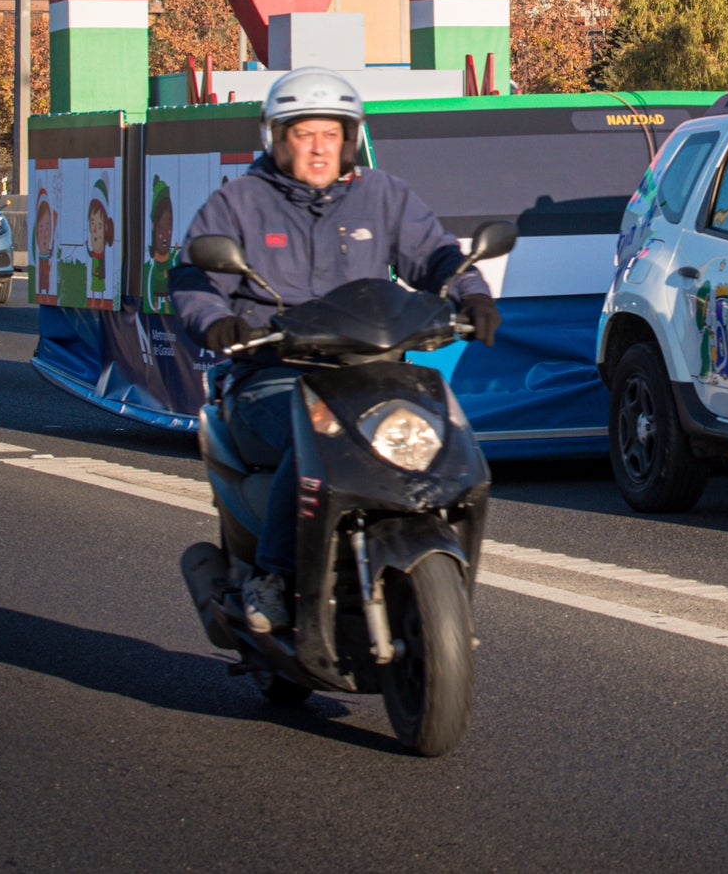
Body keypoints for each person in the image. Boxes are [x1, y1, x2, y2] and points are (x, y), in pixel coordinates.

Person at [169, 68, 501, 635]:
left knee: (441, 424)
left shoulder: (382, 195)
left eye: (331, 133)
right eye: (304, 134)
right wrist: (216, 320)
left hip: (371, 374)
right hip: (273, 376)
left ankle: (438, 568)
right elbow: (194, 279)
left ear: (349, 138)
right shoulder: (241, 202)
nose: (319, 147)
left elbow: (437, 256)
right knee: (316, 437)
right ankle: (271, 578)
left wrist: (472, 296)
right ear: (278, 137)